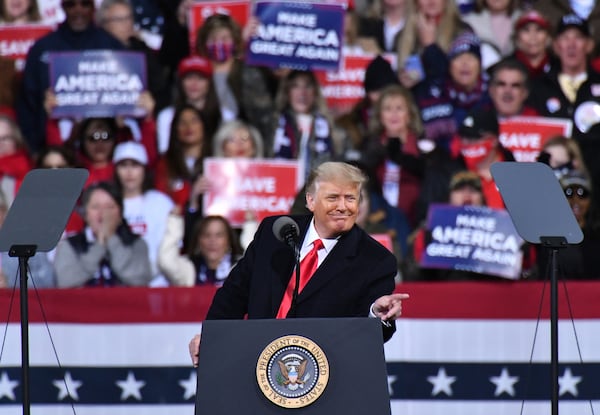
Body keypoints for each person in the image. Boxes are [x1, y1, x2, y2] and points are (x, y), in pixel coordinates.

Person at [188, 161, 410, 365]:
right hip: (256, 363)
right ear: (310, 201)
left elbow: (374, 334)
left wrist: (375, 314)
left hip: (324, 375)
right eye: (333, 197)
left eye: (350, 198)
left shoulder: (376, 260)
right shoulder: (274, 232)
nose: (343, 207)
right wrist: (211, 339)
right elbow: (234, 295)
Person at [16, 0, 123, 156]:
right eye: (71, 4)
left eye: (84, 4)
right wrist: (35, 149)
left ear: (93, 7)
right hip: (54, 148)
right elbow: (27, 102)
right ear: (63, 7)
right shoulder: (42, 49)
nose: (78, 10)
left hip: (102, 146)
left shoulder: (112, 46)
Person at [53, 181, 152, 287]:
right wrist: (99, 246)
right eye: (95, 207)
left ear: (120, 214)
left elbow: (139, 280)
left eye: (109, 207)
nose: (102, 213)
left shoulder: (136, 243)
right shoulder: (70, 245)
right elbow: (65, 282)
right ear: (86, 214)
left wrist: (111, 239)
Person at [113, 141, 174, 286]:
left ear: (144, 169)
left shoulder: (161, 203)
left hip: (158, 284)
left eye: (135, 165)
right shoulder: (108, 204)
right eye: (123, 165)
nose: (129, 172)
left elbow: (168, 247)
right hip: (119, 287)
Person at [535, 170, 600, 279]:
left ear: (590, 199)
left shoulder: (597, 236)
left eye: (582, 193)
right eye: (568, 193)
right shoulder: (548, 239)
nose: (575, 200)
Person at [156, 55, 221, 154]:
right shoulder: (166, 116)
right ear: (180, 82)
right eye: (189, 78)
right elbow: (165, 153)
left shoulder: (225, 115)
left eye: (200, 78)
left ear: (209, 83)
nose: (194, 84)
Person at [158, 214, 243, 286]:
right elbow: (166, 262)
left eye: (219, 235)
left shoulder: (240, 268)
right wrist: (174, 222)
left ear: (228, 241)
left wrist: (251, 225)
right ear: (199, 241)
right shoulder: (189, 268)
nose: (212, 241)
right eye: (207, 235)